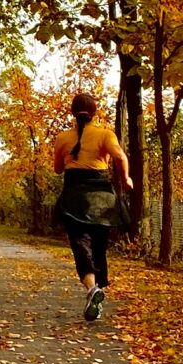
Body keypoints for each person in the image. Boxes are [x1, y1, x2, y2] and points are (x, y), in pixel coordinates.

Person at [50, 90, 134, 322]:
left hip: (75, 195)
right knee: (99, 244)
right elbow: (120, 157)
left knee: (80, 243)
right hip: (102, 195)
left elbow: (58, 169)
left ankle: (91, 289)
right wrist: (126, 178)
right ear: (95, 112)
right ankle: (96, 291)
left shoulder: (62, 138)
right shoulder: (105, 134)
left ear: (72, 112)